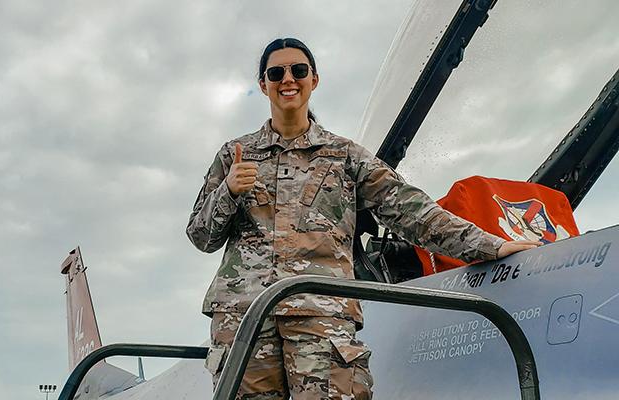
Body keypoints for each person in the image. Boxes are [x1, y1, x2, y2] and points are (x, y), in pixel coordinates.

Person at [186, 37, 539, 400]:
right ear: (263, 85)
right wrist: (228, 191)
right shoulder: (235, 156)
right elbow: (201, 236)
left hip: (321, 317)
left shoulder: (345, 156)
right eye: (276, 72)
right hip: (244, 319)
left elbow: (410, 210)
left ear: (314, 80)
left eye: (299, 70)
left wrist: (489, 245)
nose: (287, 79)